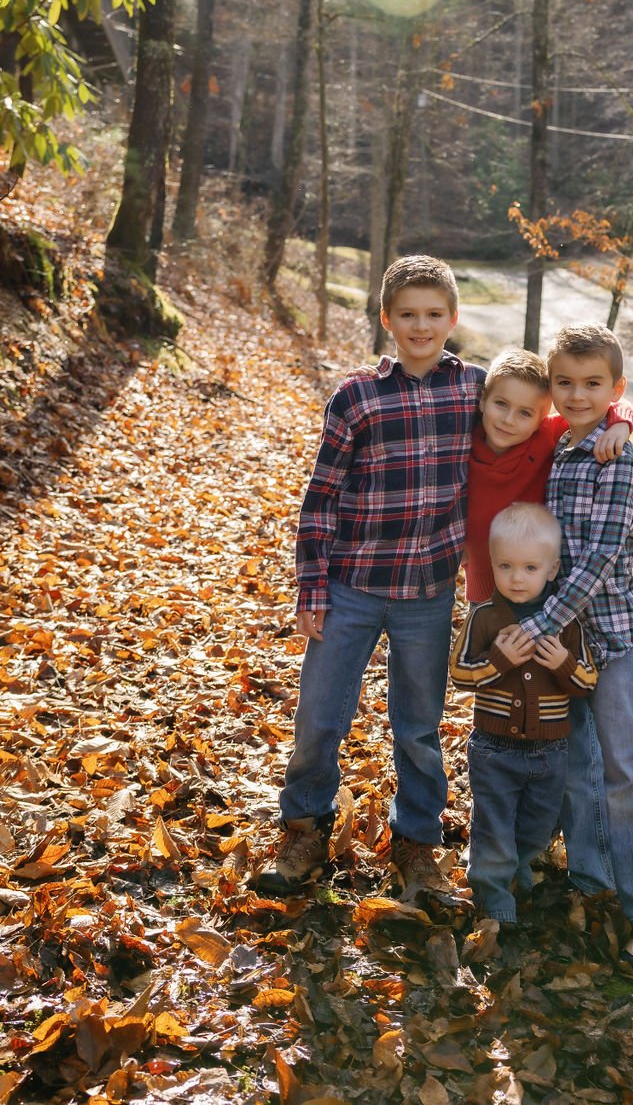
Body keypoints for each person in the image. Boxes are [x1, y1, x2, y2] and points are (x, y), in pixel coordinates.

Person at [256, 254, 485, 897]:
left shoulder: (473, 389)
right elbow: (321, 496)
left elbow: (547, 413)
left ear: (452, 318)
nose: (421, 325)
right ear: (388, 320)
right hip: (353, 587)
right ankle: (303, 831)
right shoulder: (357, 396)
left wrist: (619, 419)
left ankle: (417, 845)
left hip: (428, 595)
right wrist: (312, 588)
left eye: (434, 314)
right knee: (320, 717)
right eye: (408, 314)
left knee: (419, 726)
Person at [516, 322, 633, 975]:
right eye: (566, 383)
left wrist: (539, 625)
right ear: (552, 389)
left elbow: (593, 564)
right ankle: (592, 878)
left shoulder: (620, 463)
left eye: (593, 385)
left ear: (614, 391)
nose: (578, 394)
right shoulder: (557, 449)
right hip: (562, 641)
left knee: (624, 767)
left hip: (606, 639)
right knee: (575, 763)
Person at [450, 503, 597, 924]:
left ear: (551, 570)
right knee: (494, 824)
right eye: (506, 566)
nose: (517, 577)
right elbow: (459, 672)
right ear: (492, 566)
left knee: (538, 823)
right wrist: (498, 660)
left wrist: (562, 664)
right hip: (494, 750)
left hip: (550, 751)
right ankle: (494, 897)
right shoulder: (485, 617)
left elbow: (587, 682)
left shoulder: (566, 625)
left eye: (530, 568)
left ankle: (519, 862)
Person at [464, 347, 633, 604]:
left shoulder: (546, 435)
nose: (509, 420)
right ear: (483, 401)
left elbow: (612, 402)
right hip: (482, 581)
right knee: (482, 639)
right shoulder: (461, 442)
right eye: (501, 404)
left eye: (525, 412)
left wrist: (621, 424)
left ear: (541, 418)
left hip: (538, 582)